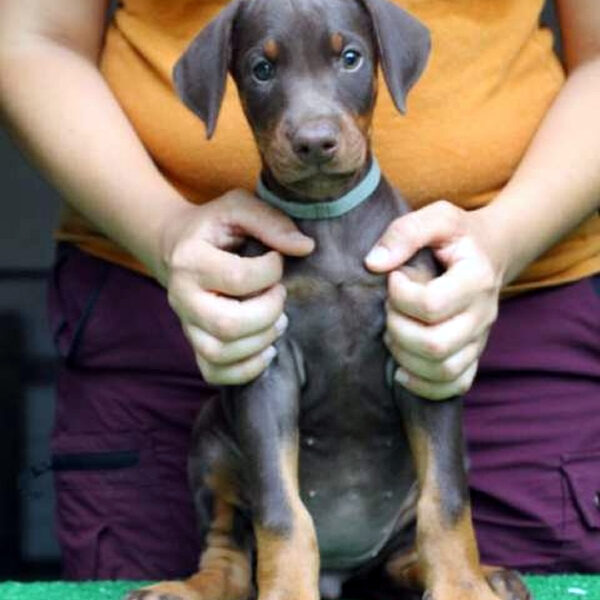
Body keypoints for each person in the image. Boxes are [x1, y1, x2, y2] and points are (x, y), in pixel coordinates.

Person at [0, 0, 598, 580]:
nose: (313, 127)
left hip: (521, 341)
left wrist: (506, 236)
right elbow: (31, 35)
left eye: (349, 60)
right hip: (161, 339)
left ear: (390, 59)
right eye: (263, 69)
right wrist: (161, 228)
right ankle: (227, 558)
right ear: (223, 81)